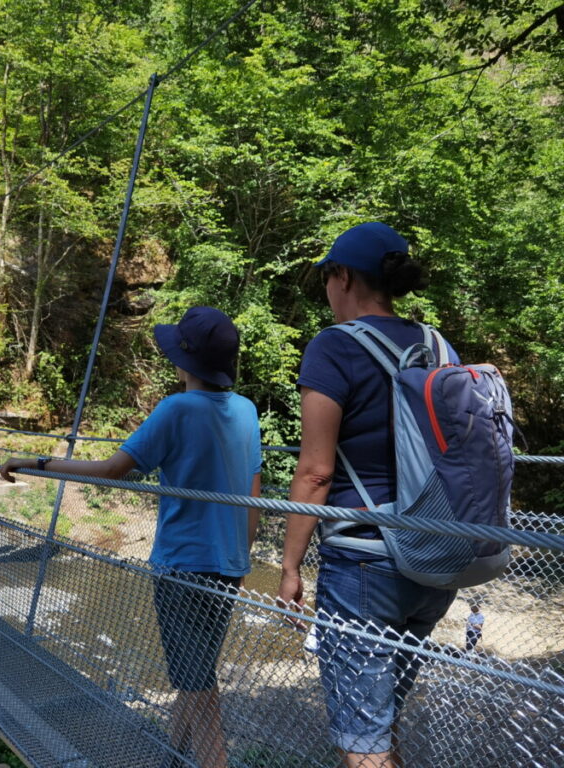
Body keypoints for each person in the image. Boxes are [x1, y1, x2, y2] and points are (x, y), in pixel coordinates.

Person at [0, 306, 262, 768]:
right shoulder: (245, 410)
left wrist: (34, 462)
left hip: (182, 567)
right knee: (194, 673)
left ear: (185, 361)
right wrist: (242, 552)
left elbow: (111, 470)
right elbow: (254, 494)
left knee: (199, 686)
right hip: (230, 566)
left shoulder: (177, 408)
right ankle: (168, 754)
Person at [277, 222, 460, 768]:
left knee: (362, 740)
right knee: (382, 721)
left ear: (343, 277)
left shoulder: (334, 347)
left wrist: (289, 567)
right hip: (436, 556)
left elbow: (314, 472)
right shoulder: (438, 345)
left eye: (326, 279)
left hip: (365, 564)